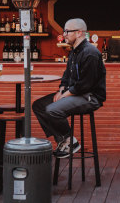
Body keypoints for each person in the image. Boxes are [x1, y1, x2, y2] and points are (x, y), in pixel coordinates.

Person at [33, 18, 106, 158]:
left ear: (79, 33)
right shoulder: (74, 52)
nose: (64, 34)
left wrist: (65, 94)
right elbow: (66, 76)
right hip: (76, 93)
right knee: (39, 106)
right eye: (64, 31)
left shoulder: (90, 53)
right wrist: (61, 89)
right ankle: (64, 140)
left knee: (52, 109)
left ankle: (70, 141)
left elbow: (86, 84)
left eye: (67, 31)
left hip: (90, 97)